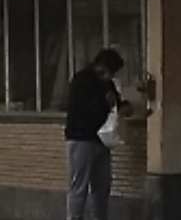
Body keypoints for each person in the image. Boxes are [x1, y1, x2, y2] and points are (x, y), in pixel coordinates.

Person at [65, 49, 152, 220]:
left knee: (102, 186)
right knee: (79, 185)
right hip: (82, 138)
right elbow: (84, 109)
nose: (111, 76)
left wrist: (125, 107)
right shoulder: (82, 80)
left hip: (102, 140)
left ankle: (100, 216)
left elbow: (116, 104)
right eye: (110, 71)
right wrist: (107, 106)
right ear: (101, 66)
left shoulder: (108, 84)